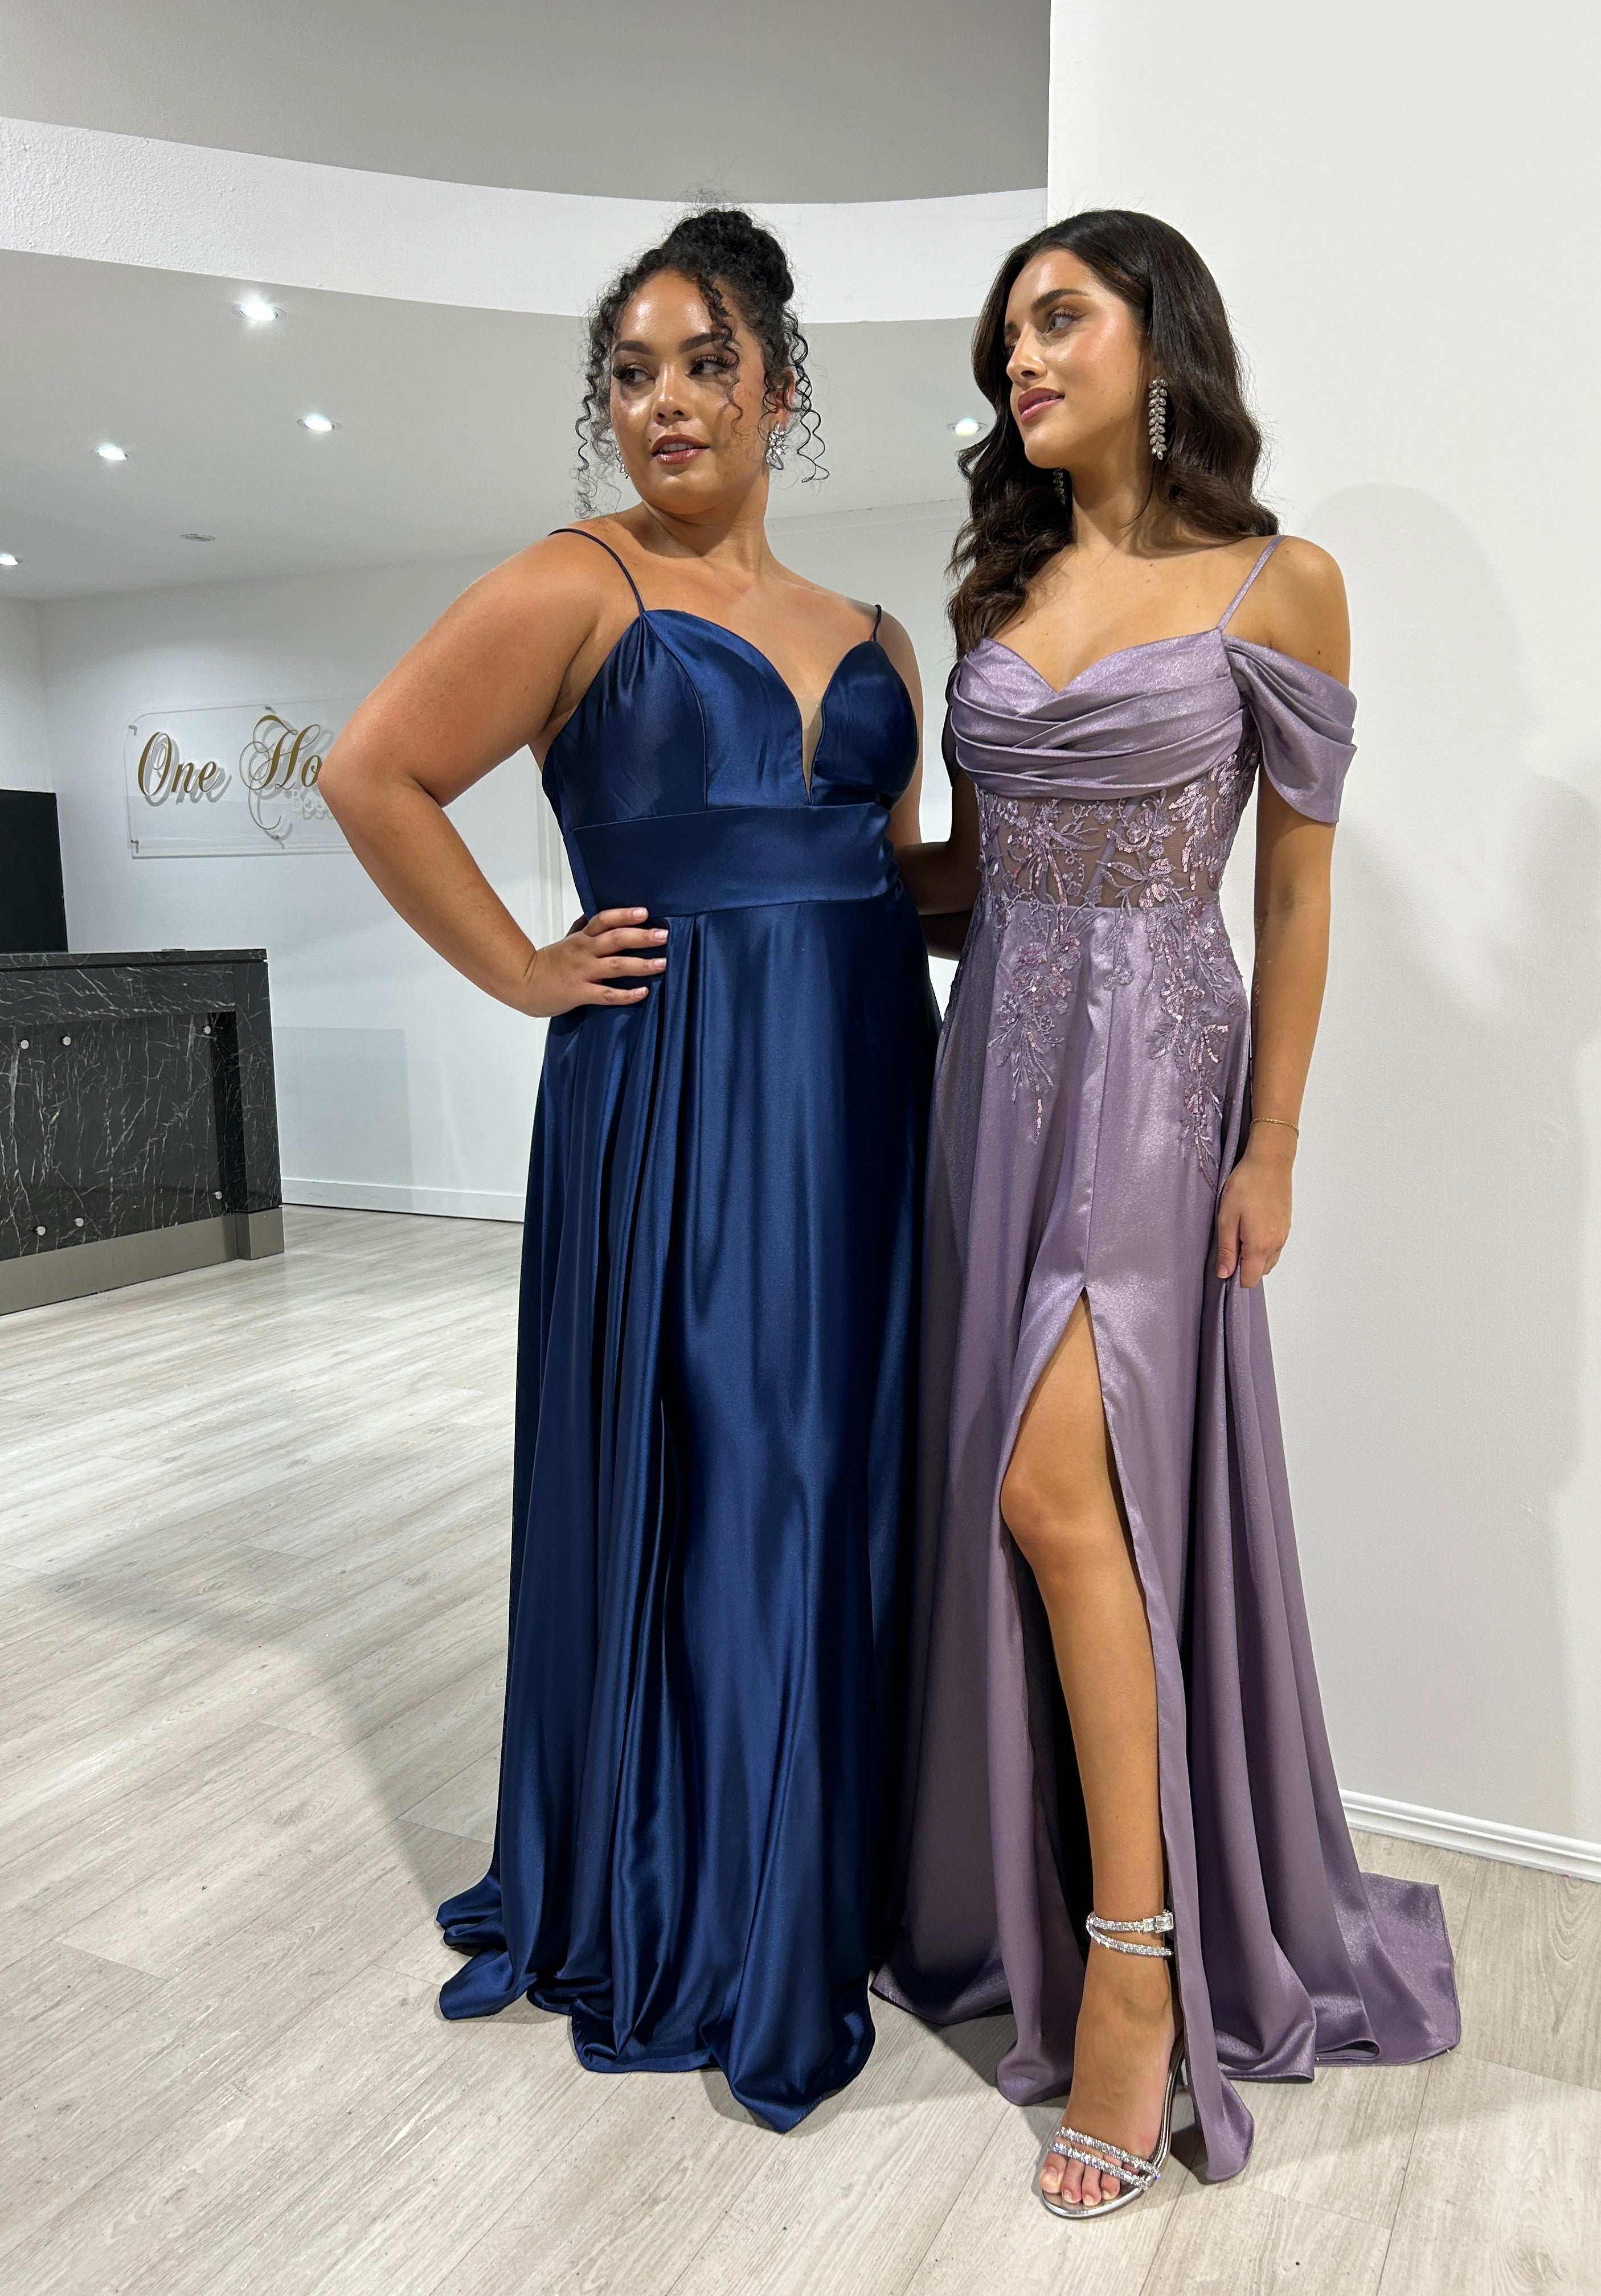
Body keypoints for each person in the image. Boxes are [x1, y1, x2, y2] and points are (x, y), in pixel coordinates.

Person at [320, 208, 938, 2130]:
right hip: (673, 1096)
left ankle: (840, 1866)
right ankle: (706, 1895)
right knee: (729, 1467)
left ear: (781, 388)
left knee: (854, 1468)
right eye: (632, 374)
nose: (666, 402)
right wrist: (522, 970)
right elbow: (369, 773)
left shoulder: (880, 637)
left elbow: (883, 876)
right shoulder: (574, 585)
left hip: (867, 1093)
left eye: (705, 364)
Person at [883, 210, 1459, 2212]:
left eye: (1059, 319)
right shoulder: (1004, 583)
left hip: (1153, 1069)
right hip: (993, 1073)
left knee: (1068, 1490)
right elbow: (969, 878)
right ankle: (1042, 1892)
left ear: (1160, 335)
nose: (1022, 360)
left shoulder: (1283, 583)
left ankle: (1136, 1976)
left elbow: (1293, 884)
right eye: (1008, 339)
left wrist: (1273, 1138)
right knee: (1038, 1502)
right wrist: (783, 880)